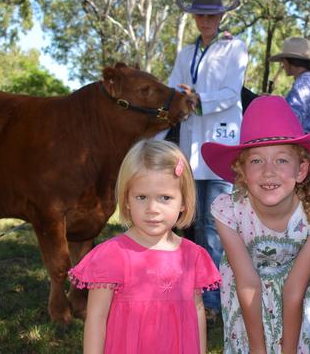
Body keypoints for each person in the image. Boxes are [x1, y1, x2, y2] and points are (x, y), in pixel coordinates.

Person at [201, 96, 310, 353]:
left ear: (301, 170)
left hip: (298, 298)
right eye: (256, 161)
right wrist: (258, 349)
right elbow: (247, 282)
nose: (269, 171)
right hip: (245, 298)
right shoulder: (229, 211)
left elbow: (294, 290)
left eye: (281, 160)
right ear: (242, 172)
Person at [69, 139, 221, 354]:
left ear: (184, 201)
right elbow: (96, 317)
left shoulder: (193, 256)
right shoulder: (111, 256)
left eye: (165, 198)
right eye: (142, 197)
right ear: (127, 199)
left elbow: (196, 311)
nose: (152, 208)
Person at [162, 0, 248, 316]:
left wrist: (196, 98)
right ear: (194, 17)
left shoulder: (234, 48)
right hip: (190, 151)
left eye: (211, 15)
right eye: (201, 15)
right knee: (191, 225)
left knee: (216, 230)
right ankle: (194, 293)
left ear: (221, 16)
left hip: (221, 148)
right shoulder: (186, 53)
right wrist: (178, 97)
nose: (206, 21)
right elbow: (173, 89)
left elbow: (230, 93)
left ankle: (214, 302)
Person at [268, 37, 310, 134]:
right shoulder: (306, 81)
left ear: (287, 62)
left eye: (283, 62)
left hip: (298, 138)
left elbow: (293, 117)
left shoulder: (303, 83)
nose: (282, 66)